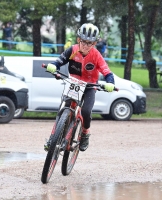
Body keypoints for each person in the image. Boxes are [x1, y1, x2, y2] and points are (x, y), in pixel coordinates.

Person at [45, 23, 115, 152]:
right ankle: (52, 137)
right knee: (63, 108)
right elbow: (59, 61)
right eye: (83, 41)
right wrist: (54, 66)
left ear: (94, 44)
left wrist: (110, 82)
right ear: (79, 40)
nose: (86, 45)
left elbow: (107, 72)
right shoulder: (72, 50)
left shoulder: (96, 56)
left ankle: (85, 134)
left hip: (89, 87)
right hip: (73, 83)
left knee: (86, 111)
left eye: (90, 43)